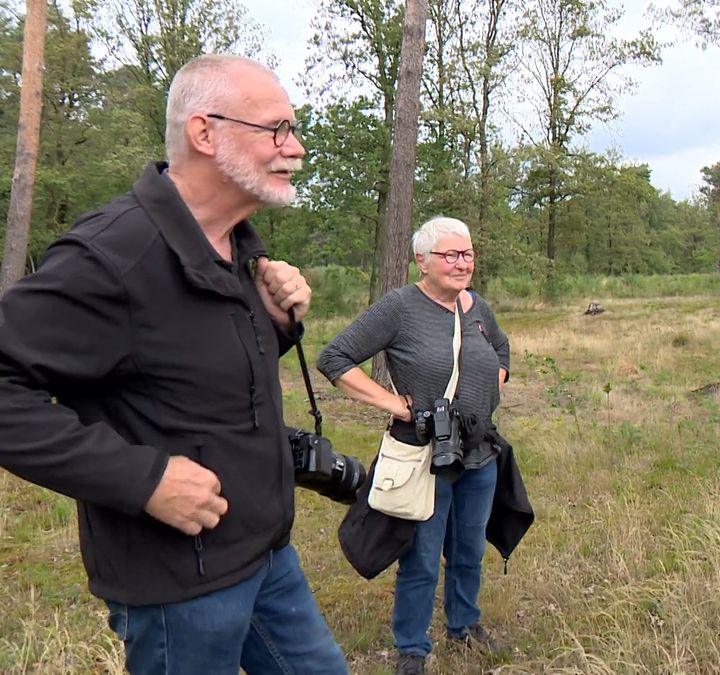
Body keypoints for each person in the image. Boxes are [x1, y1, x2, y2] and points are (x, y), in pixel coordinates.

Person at [0, 55, 348, 673]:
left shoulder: (236, 246)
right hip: (177, 586)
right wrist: (143, 478)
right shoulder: (112, 255)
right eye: (277, 129)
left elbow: (191, 370)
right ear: (204, 132)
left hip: (266, 556)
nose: (295, 148)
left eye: (294, 130)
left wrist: (274, 326)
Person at [318, 216, 512, 675]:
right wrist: (395, 405)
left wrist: (489, 388)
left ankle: (464, 626)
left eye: (467, 254)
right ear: (422, 261)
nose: (462, 263)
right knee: (422, 556)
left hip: (478, 453)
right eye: (450, 255)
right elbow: (335, 357)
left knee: (469, 550)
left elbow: (502, 352)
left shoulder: (478, 308)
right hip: (425, 456)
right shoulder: (400, 308)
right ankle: (412, 648)